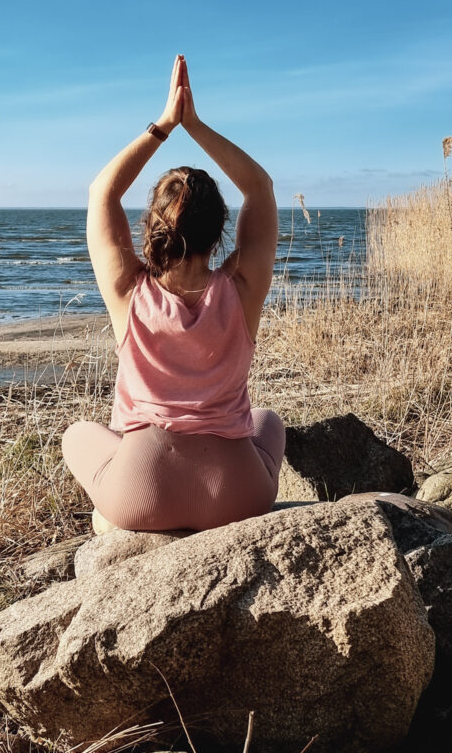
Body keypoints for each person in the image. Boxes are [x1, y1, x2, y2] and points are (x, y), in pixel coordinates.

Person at [62, 54, 286, 532]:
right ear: (218, 230)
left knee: (77, 435)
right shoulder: (243, 289)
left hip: (144, 490)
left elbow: (102, 192)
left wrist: (164, 125)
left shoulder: (128, 290)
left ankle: (112, 517)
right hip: (237, 494)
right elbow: (260, 188)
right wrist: (196, 126)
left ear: (153, 226)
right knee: (270, 422)